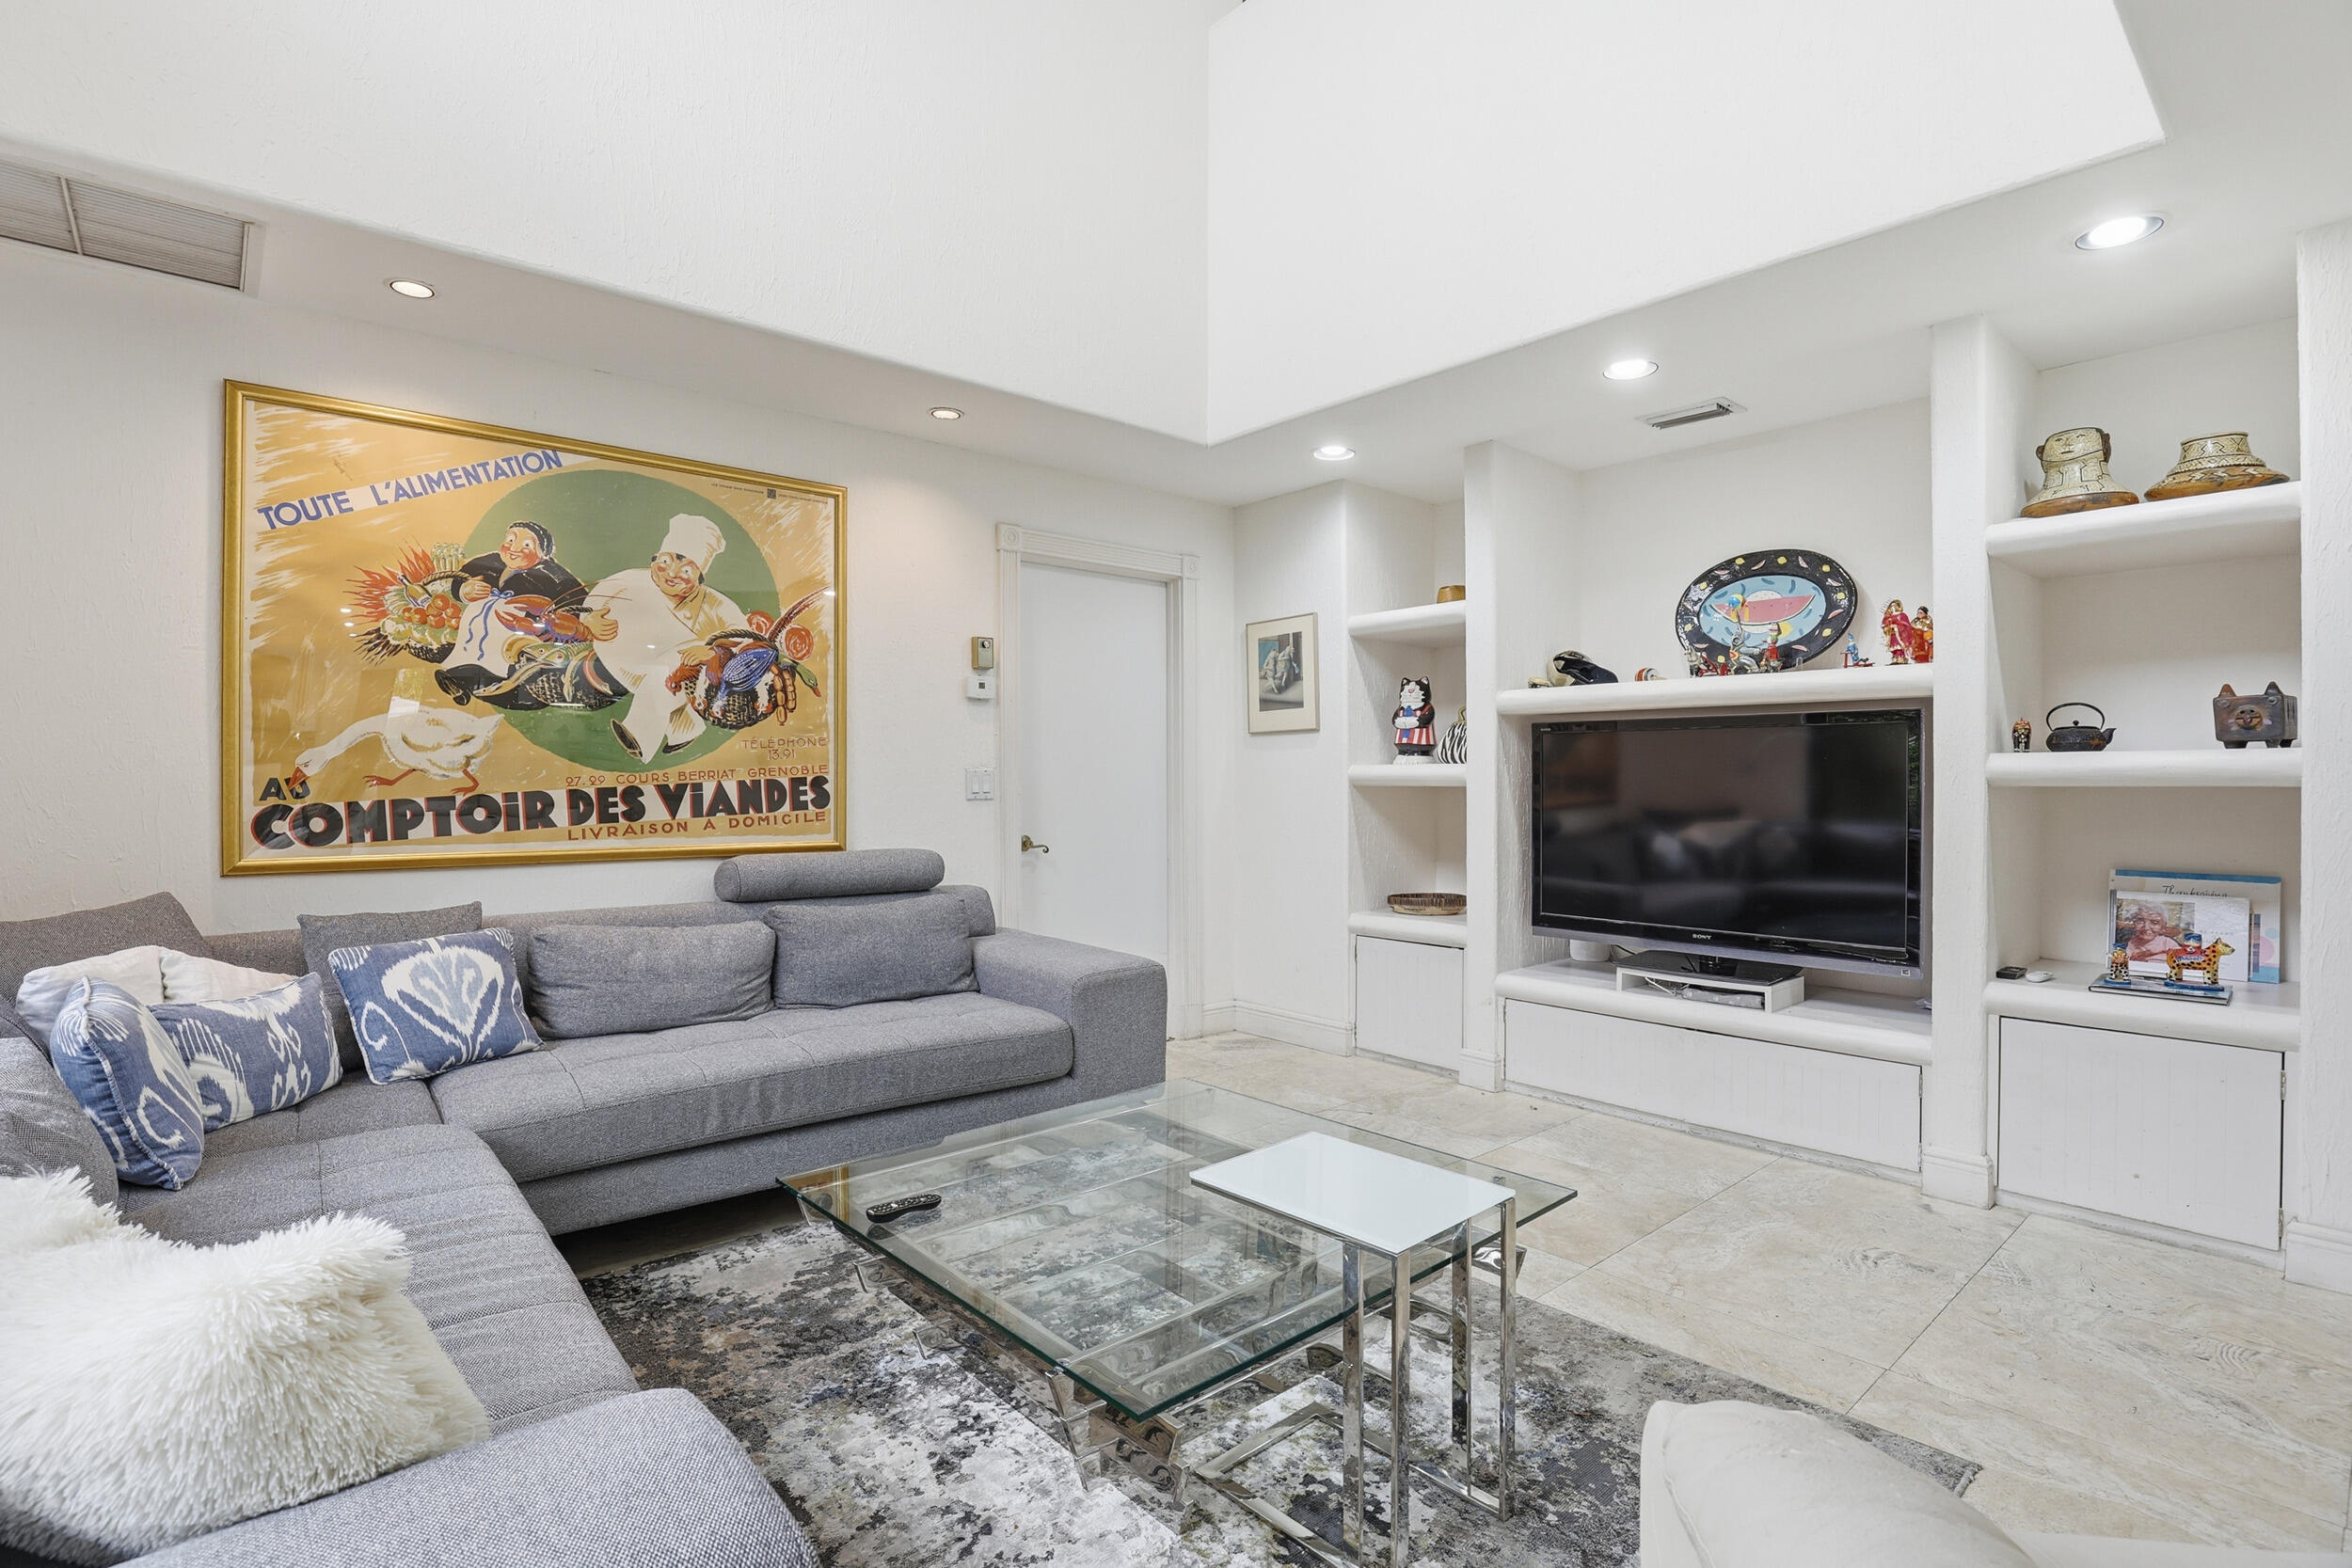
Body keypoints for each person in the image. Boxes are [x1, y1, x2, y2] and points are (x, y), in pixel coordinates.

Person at [580, 514, 751, 761]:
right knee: (660, 674)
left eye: (687, 569)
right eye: (666, 561)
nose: (672, 572)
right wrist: (590, 621)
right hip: (618, 655)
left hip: (681, 668)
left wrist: (713, 651)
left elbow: (749, 640)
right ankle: (686, 728)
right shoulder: (626, 580)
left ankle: (639, 736)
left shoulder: (716, 604)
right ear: (654, 559)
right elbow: (590, 604)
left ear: (700, 578)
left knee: (665, 669)